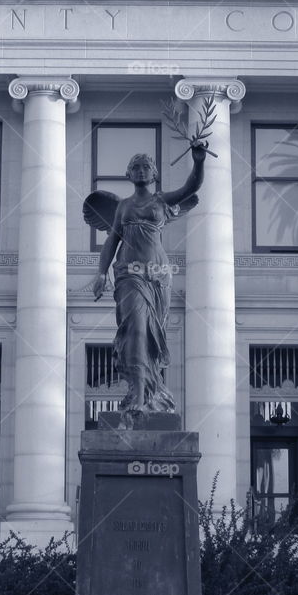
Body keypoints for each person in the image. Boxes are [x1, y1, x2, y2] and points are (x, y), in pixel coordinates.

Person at [91, 143, 207, 426]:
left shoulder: (161, 201)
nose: (141, 170)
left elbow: (192, 187)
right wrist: (101, 272)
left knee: (154, 335)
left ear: (154, 174)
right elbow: (111, 240)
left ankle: (151, 393)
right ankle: (140, 397)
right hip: (129, 275)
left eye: (146, 166)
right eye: (136, 167)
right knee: (137, 331)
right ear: (128, 174)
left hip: (157, 274)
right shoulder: (123, 206)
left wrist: (199, 161)